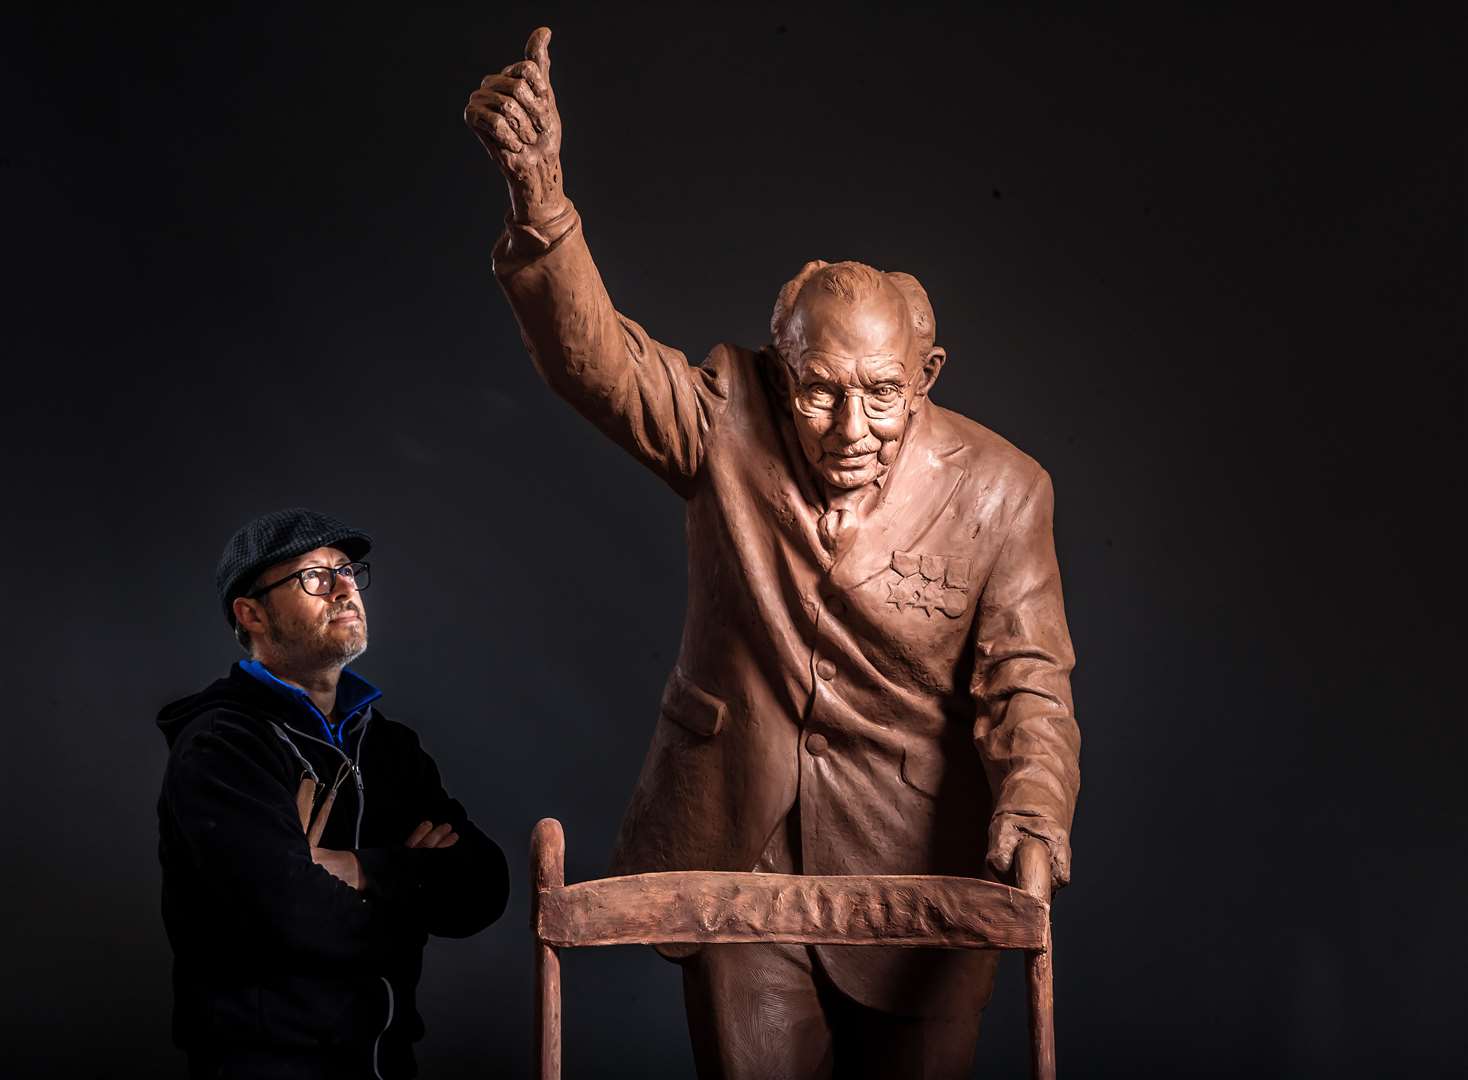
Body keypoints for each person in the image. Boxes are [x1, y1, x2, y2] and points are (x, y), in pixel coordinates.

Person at [465, 28, 1082, 1080]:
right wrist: (540, 197)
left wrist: (1033, 817)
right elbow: (594, 361)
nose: (848, 425)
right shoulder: (723, 415)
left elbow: (1027, 687)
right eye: (817, 390)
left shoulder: (1002, 490)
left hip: (921, 864)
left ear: (927, 374)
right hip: (733, 847)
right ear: (776, 361)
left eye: (881, 394)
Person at [156, 508, 509, 1079]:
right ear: (252, 614)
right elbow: (290, 913)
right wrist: (414, 891)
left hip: (388, 1065)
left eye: (347, 570)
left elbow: (483, 887)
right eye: (314, 577)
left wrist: (355, 868)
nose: (345, 587)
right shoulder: (222, 746)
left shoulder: (390, 746)